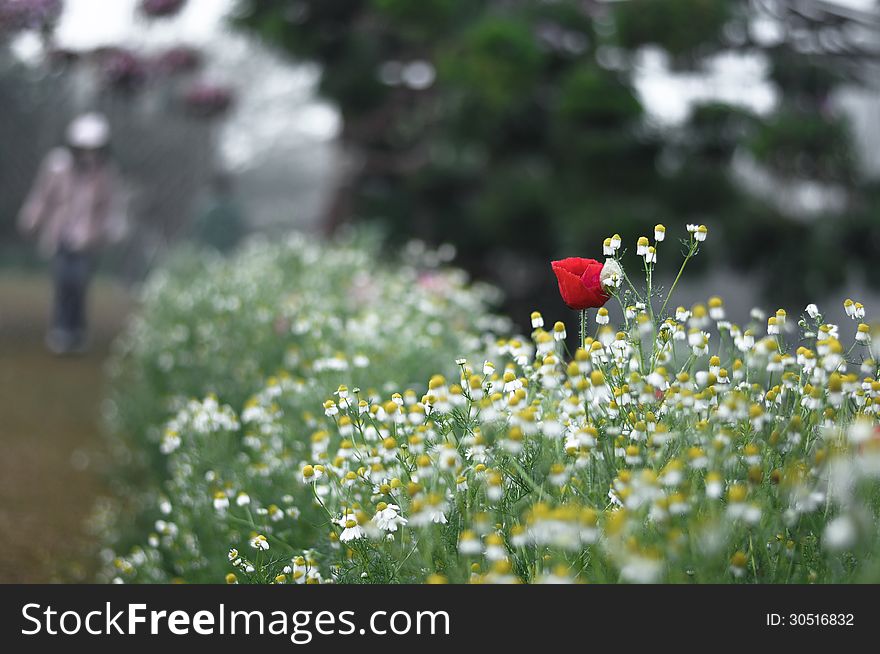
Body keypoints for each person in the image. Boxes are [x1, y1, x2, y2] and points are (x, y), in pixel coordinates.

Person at [17, 112, 126, 355]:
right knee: (63, 282)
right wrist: (31, 219)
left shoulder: (105, 173)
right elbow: (42, 196)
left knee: (79, 284)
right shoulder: (58, 167)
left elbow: (111, 206)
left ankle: (77, 330)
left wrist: (112, 229)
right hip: (61, 237)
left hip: (88, 240)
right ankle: (60, 330)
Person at [189, 171, 246, 254]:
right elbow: (242, 231)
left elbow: (197, 234)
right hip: (232, 254)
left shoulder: (205, 209)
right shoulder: (234, 209)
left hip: (209, 256)